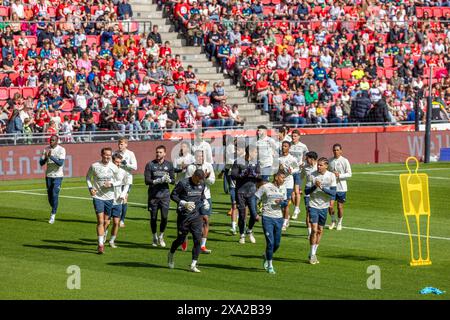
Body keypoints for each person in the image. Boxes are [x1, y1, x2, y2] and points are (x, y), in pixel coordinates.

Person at [168, 169, 209, 273]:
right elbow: (173, 195)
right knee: (181, 239)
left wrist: (205, 201)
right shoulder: (183, 183)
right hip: (184, 216)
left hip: (196, 216)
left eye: (201, 180)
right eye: (198, 180)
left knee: (197, 240)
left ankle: (193, 264)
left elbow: (201, 195)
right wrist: (183, 203)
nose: (199, 182)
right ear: (194, 176)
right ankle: (171, 253)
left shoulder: (202, 184)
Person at [86, 147, 119, 254]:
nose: (107, 157)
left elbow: (119, 180)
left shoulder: (114, 167)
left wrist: (111, 184)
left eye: (109, 155)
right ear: (101, 154)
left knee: (106, 222)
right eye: (105, 154)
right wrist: (91, 188)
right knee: (100, 221)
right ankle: (100, 245)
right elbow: (88, 177)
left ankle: (103, 235)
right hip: (98, 197)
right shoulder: (95, 166)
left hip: (109, 197)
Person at [305, 157, 337, 264]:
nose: (318, 167)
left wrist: (322, 188)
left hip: (324, 207)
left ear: (326, 166)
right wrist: (315, 186)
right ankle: (312, 254)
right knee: (314, 230)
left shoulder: (331, 176)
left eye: (321, 165)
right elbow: (306, 191)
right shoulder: (312, 175)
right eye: (318, 165)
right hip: (313, 205)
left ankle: (313, 253)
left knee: (319, 230)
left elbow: (333, 193)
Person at [256, 171, 288, 274]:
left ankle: (266, 255)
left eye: (284, 178)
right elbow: (255, 198)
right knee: (270, 243)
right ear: (276, 177)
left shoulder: (283, 188)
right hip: (267, 218)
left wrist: (282, 203)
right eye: (282, 177)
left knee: (277, 244)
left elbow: (286, 202)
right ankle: (270, 265)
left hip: (279, 218)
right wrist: (255, 211)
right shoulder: (265, 187)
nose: (284, 180)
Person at [144, 145, 175, 247]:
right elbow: (147, 181)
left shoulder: (169, 165)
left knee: (164, 217)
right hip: (153, 195)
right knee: (153, 218)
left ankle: (161, 236)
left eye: (160, 152)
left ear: (165, 153)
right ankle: (154, 236)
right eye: (157, 152)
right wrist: (157, 180)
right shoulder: (150, 165)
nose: (158, 154)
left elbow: (173, 180)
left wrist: (169, 180)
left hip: (165, 195)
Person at [185, 150, 215, 253]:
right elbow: (187, 182)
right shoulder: (191, 167)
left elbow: (212, 181)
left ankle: (202, 245)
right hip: (193, 197)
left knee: (206, 219)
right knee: (191, 221)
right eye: (198, 156)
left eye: (202, 156)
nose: (200, 158)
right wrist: (201, 178)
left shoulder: (208, 166)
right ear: (195, 157)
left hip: (206, 196)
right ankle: (184, 237)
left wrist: (205, 179)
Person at [231, 145, 261, 244]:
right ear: (250, 152)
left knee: (253, 214)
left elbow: (260, 176)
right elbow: (233, 176)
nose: (256, 154)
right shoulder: (238, 162)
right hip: (240, 192)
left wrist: (254, 174)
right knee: (242, 215)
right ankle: (242, 234)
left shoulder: (256, 163)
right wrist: (242, 174)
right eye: (255, 152)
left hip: (252, 192)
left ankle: (249, 230)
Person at [103, 153, 130, 248]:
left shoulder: (123, 171)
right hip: (107, 199)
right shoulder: (107, 170)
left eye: (119, 162)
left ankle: (112, 240)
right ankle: (104, 235)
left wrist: (123, 194)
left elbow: (127, 184)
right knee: (106, 222)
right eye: (116, 162)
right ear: (112, 161)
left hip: (118, 200)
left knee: (116, 222)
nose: (118, 164)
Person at [39, 135, 66, 224]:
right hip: (48, 175)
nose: (51, 141)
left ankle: (53, 215)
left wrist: (51, 157)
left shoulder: (61, 149)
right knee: (50, 197)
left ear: (57, 141)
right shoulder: (46, 149)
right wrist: (46, 157)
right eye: (50, 140)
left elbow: (60, 163)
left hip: (58, 175)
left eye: (53, 140)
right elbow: (41, 163)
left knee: (55, 194)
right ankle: (54, 206)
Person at [328, 144, 352, 231]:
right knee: (330, 206)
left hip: (341, 187)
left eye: (337, 150)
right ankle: (333, 220)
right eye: (334, 150)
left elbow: (349, 174)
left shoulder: (345, 161)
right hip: (331, 187)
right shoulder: (330, 161)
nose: (336, 151)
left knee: (339, 206)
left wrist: (339, 175)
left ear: (341, 151)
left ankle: (339, 223)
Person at [115, 138, 137, 227]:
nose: (120, 146)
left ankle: (122, 220)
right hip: (117, 180)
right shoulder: (115, 153)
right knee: (117, 199)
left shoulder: (130, 154)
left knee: (124, 199)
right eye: (119, 144)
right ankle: (116, 217)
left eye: (122, 144)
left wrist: (125, 163)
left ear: (126, 145)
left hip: (127, 180)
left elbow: (135, 167)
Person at [278, 141, 300, 231]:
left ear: (289, 148)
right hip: (280, 183)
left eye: (285, 146)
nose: (283, 147)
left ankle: (284, 222)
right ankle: (287, 217)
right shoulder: (278, 158)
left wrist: (292, 171)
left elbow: (297, 168)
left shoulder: (292, 159)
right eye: (283, 146)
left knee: (286, 203)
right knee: (281, 204)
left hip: (288, 183)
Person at [289, 129, 309, 220]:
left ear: (299, 137)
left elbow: (308, 156)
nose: (293, 138)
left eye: (295, 136)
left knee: (296, 191)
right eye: (292, 136)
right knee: (291, 194)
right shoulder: (288, 145)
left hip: (298, 171)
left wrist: (304, 163)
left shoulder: (303, 146)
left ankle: (296, 209)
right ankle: (296, 207)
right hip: (289, 171)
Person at [302, 151, 318, 238]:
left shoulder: (319, 166)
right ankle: (310, 232)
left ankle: (316, 229)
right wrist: (299, 188)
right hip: (308, 192)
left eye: (307, 158)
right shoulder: (305, 167)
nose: (305, 159)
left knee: (316, 212)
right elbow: (301, 177)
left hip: (318, 193)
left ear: (311, 159)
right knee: (308, 212)